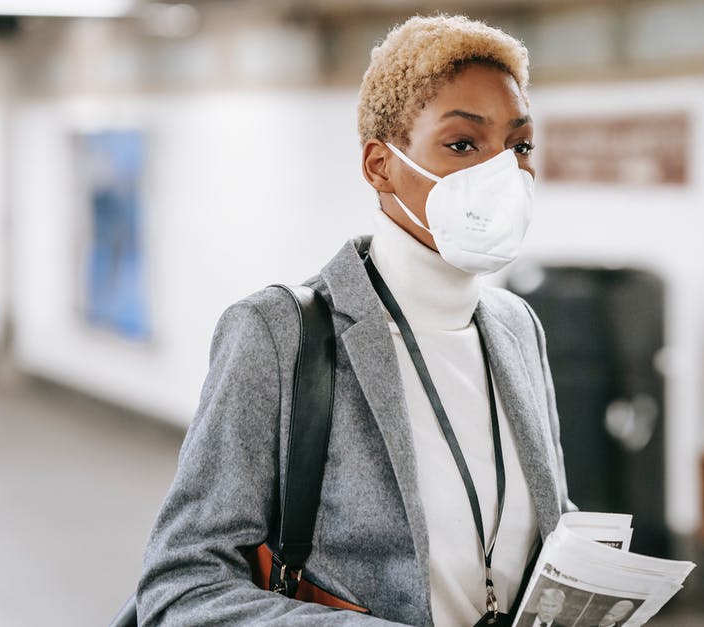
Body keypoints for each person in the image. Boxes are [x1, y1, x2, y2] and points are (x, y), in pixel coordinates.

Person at [136, 14, 574, 626]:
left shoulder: (516, 328)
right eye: (462, 144)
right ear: (379, 166)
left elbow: (536, 525)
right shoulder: (277, 333)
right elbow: (181, 586)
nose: (503, 173)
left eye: (519, 145)